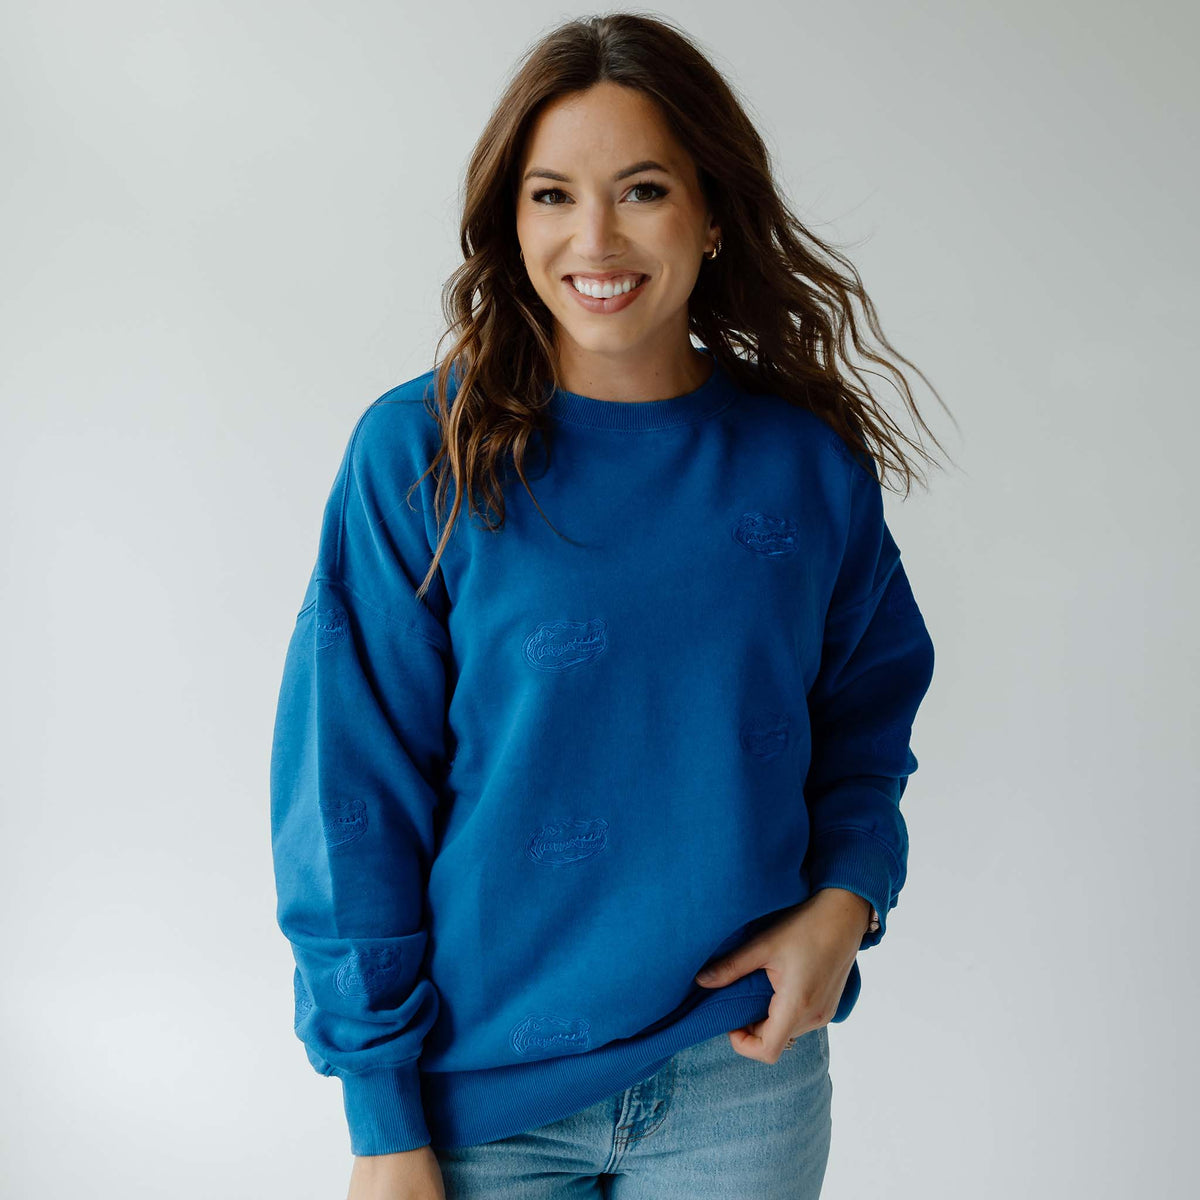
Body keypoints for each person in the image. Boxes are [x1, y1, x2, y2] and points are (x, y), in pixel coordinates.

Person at [269, 12, 950, 1200]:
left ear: (712, 211)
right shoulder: (419, 456)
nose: (594, 238)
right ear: (511, 221)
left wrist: (849, 898)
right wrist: (381, 1119)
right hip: (478, 1104)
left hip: (741, 1079)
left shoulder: (802, 465)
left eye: (642, 190)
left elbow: (867, 716)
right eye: (551, 196)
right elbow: (350, 796)